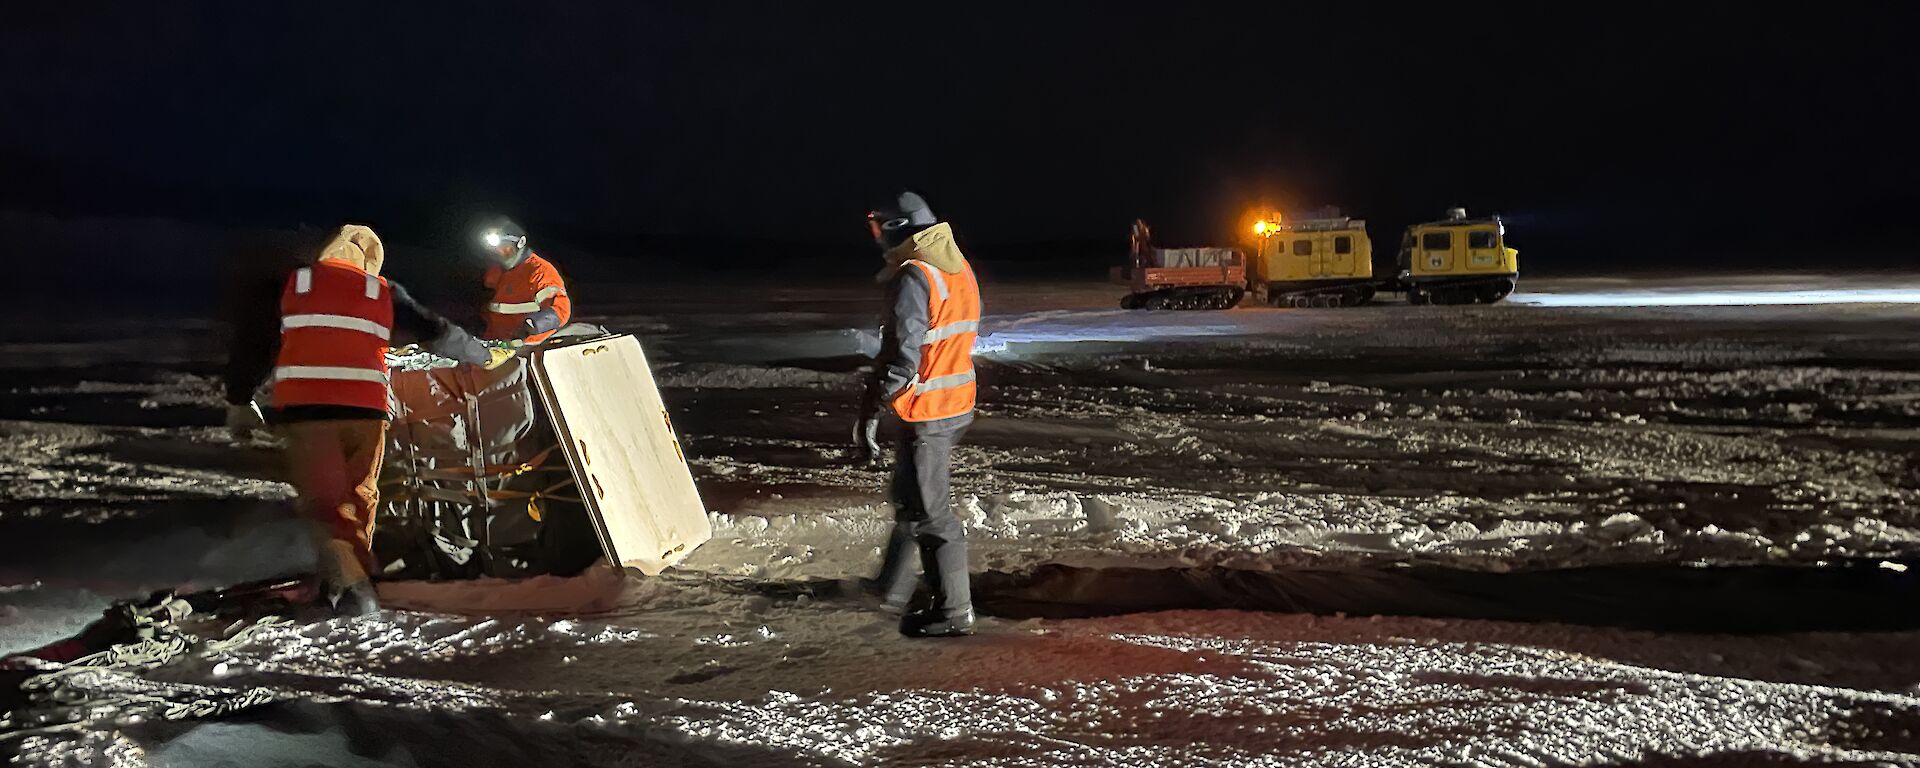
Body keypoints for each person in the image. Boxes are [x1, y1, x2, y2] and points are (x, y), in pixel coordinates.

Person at [224, 224, 510, 616]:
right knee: (360, 497)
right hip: (368, 412)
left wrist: (239, 399)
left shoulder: (296, 284)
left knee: (326, 505)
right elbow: (436, 330)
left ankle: (355, 588)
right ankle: (349, 579)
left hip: (310, 412)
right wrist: (482, 355)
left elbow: (255, 343)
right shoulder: (383, 291)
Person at [856, 192, 984, 638]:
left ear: (896, 228)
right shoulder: (953, 264)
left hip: (928, 408)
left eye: (877, 227)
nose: (875, 237)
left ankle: (954, 612)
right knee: (911, 501)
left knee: (932, 515)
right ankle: (890, 590)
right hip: (953, 402)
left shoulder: (916, 275)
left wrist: (872, 408)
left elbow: (903, 358)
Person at [476, 217, 571, 344]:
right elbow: (488, 302)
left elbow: (561, 310)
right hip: (495, 340)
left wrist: (531, 326)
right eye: (496, 248)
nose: (500, 252)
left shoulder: (540, 270)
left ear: (520, 243)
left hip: (527, 343)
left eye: (506, 247)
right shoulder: (496, 270)